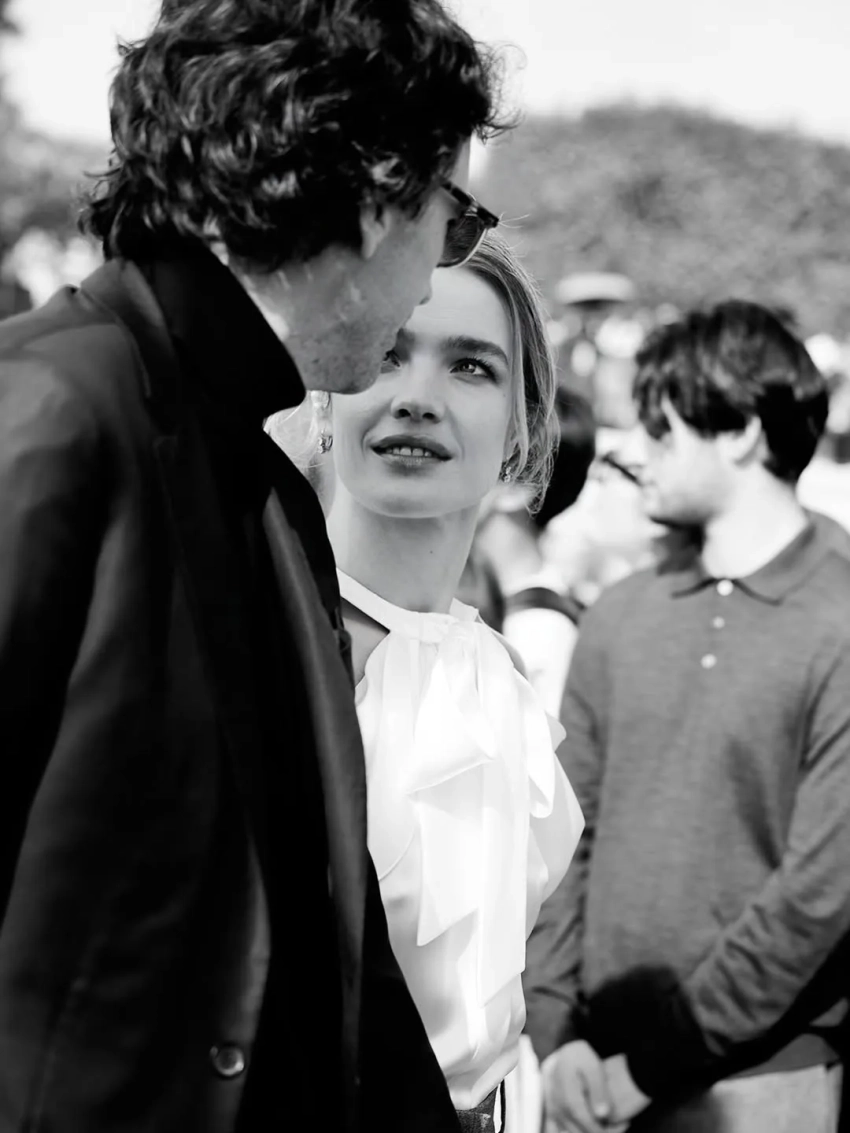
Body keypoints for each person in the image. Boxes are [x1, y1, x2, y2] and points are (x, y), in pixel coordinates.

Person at [0, 1, 505, 1129]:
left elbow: (324, 928)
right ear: (375, 190)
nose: (436, 277)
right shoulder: (49, 408)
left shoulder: (259, 477)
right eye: (454, 221)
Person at [526, 300, 850, 1133]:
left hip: (761, 1083)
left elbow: (817, 897)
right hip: (580, 1075)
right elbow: (562, 832)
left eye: (662, 430)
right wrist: (555, 1029)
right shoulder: (620, 613)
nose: (637, 452)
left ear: (740, 431)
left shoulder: (840, 621)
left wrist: (650, 1064)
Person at [313, 232, 585, 1131]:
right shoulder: (267, 644)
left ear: (522, 425)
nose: (418, 397)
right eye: (386, 350)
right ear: (326, 394)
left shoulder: (497, 670)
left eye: (471, 366)